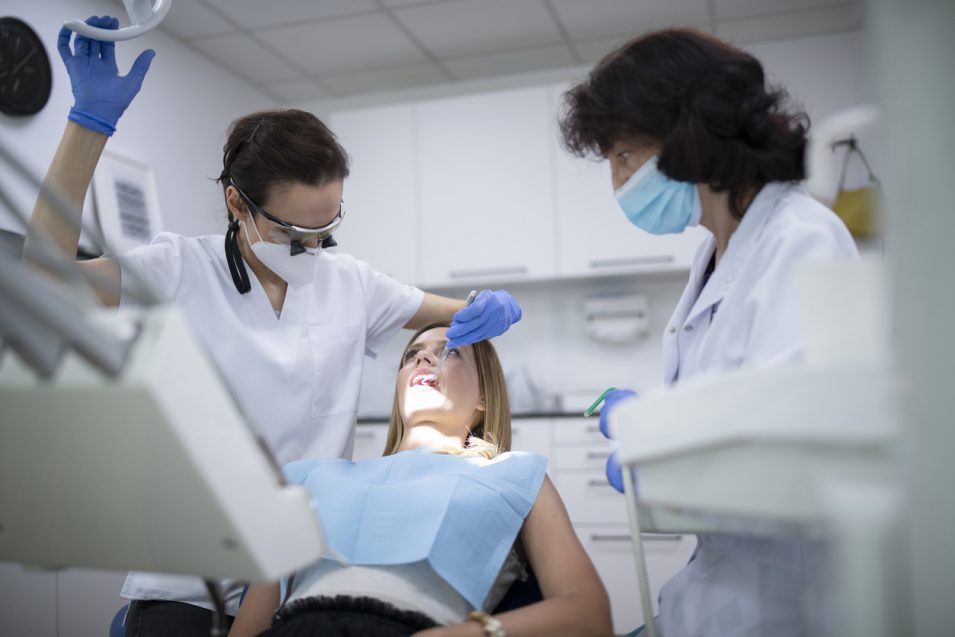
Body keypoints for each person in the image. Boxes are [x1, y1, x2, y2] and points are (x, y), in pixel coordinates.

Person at [26, 17, 522, 636]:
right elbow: (42, 284)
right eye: (293, 231)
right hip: (191, 581)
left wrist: (490, 306)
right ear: (238, 202)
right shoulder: (176, 270)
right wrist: (87, 126)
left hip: (304, 581)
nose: (313, 248)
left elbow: (457, 320)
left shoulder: (354, 283)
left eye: (327, 228)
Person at [558, 28, 859, 637]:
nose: (616, 182)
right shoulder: (719, 252)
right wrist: (664, 425)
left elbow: (792, 455)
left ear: (684, 134)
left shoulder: (800, 241)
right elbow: (741, 398)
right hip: (710, 594)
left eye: (622, 157)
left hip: (786, 603)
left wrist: (662, 453)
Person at [228, 324, 613, 637]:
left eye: (450, 351)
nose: (424, 357)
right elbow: (250, 627)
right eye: (412, 354)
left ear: (483, 399)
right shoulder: (307, 478)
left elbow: (588, 617)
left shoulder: (515, 474)